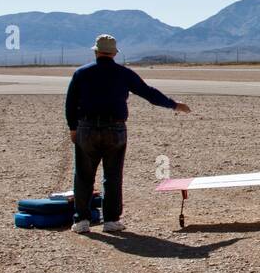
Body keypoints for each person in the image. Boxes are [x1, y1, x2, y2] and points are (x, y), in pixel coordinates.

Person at [64, 34, 191, 233]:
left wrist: (73, 128)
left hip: (86, 128)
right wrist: (174, 105)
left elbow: (70, 103)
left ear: (96, 51)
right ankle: (111, 220)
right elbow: (148, 93)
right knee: (112, 175)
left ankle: (81, 220)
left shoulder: (81, 73)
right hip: (115, 128)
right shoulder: (123, 73)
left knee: (83, 174)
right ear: (114, 53)